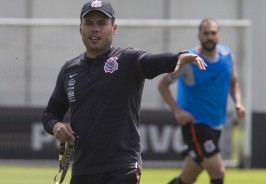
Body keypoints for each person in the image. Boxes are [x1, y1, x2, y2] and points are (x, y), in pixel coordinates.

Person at [42, 1, 207, 184]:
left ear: (114, 28)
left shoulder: (127, 59)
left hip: (121, 168)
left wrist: (178, 56)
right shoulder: (69, 69)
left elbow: (150, 61)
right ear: (80, 28)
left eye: (102, 23)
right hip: (83, 169)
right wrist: (55, 126)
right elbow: (50, 114)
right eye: (89, 23)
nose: (95, 29)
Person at [158, 18, 245, 184]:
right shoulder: (189, 60)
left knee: (188, 177)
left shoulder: (227, 56)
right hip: (194, 123)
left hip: (217, 124)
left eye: (213, 33)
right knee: (218, 170)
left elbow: (233, 83)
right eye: (206, 33)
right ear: (199, 35)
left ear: (218, 35)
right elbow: (162, 86)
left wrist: (238, 103)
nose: (209, 37)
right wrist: (177, 111)